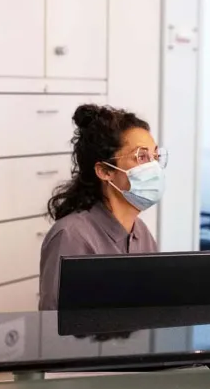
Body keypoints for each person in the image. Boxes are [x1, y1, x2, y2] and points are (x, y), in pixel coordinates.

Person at [39, 105, 164, 310]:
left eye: (156, 157)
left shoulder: (142, 233)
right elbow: (55, 327)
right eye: (141, 156)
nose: (154, 167)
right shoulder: (72, 235)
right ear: (105, 171)